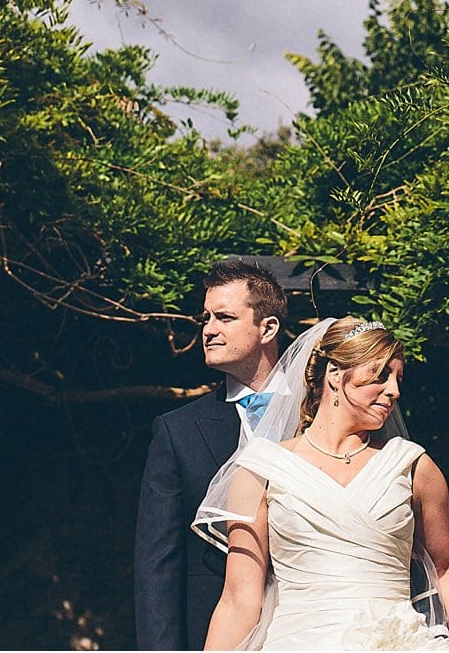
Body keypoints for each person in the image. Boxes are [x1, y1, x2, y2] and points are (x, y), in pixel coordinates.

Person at [195, 318, 449, 651]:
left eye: (398, 379)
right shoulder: (259, 469)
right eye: (380, 375)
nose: (395, 391)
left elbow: (448, 567)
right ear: (335, 374)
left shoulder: (414, 466)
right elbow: (239, 599)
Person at [136, 262, 289, 650]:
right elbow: (158, 564)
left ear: (267, 328)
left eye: (224, 317)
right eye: (206, 318)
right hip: (215, 634)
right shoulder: (178, 431)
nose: (208, 330)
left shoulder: (323, 413)